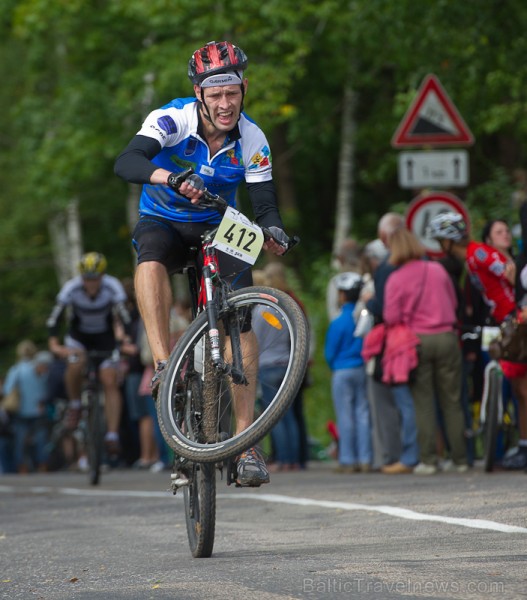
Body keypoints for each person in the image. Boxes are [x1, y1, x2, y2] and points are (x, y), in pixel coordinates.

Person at [114, 41, 290, 487]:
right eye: (215, 95)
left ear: (243, 89)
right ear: (199, 94)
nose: (225, 104)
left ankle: (246, 442)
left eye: (232, 93)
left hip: (218, 226)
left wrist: (274, 231)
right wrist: (171, 177)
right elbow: (128, 161)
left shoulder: (252, 137)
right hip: (165, 219)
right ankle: (162, 366)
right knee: (149, 253)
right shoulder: (172, 119)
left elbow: (265, 203)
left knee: (243, 322)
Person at [427, 212, 527, 470]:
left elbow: (511, 273)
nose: (440, 246)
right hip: (504, 320)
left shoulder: (478, 255)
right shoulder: (470, 261)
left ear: (449, 240)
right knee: (518, 389)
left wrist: (520, 305)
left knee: (522, 388)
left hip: (515, 317)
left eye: (441, 240)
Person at [383, 227, 467, 475]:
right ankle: (460, 459)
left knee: (424, 402)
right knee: (452, 401)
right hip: (448, 337)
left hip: (417, 341)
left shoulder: (396, 278)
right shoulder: (438, 270)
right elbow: (453, 302)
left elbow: (390, 316)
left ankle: (430, 460)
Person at [47, 252, 131, 460]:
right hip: (79, 339)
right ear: (81, 277)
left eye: (95, 279)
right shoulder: (71, 288)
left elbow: (125, 316)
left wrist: (126, 338)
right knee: (75, 364)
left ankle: (112, 435)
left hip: (105, 338)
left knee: (109, 380)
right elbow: (54, 319)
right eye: (87, 279)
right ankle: (75, 404)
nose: (91, 284)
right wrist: (54, 344)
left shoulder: (112, 286)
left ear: (102, 276)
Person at [363, 214, 407, 470]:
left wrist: (369, 300)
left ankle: (393, 456)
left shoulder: (387, 268)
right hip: (421, 333)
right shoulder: (422, 263)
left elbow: (383, 308)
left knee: (386, 401)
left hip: (390, 341)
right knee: (413, 402)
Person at [325, 272, 372, 473]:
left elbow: (330, 352)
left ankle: (347, 459)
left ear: (342, 295)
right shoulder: (364, 317)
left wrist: (334, 365)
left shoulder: (338, 322)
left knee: (346, 415)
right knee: (363, 414)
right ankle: (365, 459)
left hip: (342, 371)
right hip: (361, 368)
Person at [3, 342, 53, 473]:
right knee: (41, 440)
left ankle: (22, 467)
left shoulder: (16, 369)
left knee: (20, 442)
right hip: (39, 409)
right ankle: (43, 466)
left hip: (21, 411)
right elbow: (46, 387)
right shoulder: (39, 368)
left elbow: (8, 389)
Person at [327, 238, 361, 321]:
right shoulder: (365, 278)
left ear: (341, 258)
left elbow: (332, 313)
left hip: (342, 327)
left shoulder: (336, 282)